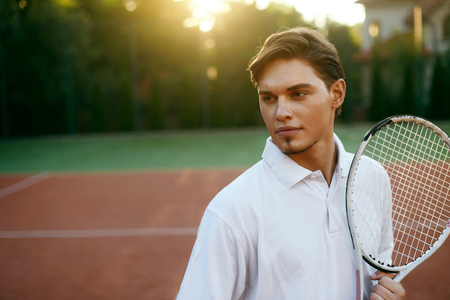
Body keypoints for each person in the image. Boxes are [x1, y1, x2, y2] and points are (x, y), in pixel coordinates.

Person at [176, 27, 406, 300]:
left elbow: (379, 276)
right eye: (268, 98)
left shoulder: (372, 176)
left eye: (297, 94)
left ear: (337, 94)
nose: (281, 112)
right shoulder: (233, 210)